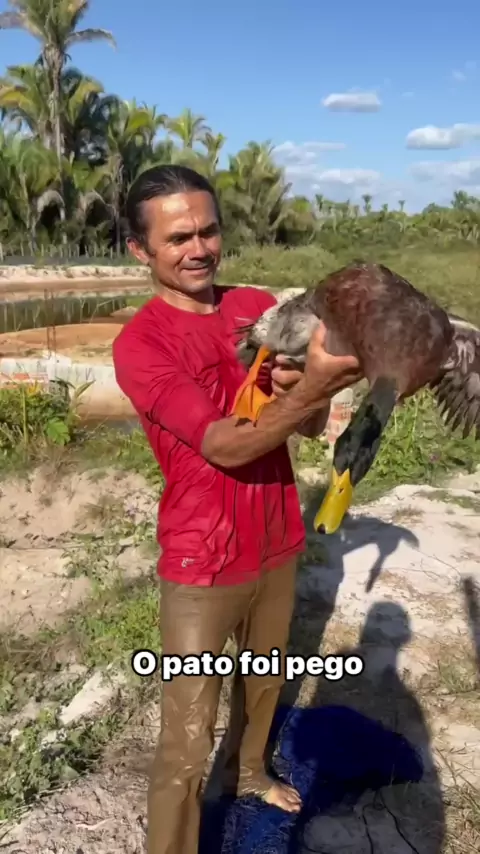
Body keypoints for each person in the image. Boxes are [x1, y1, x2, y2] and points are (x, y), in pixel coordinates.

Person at [112, 164, 361, 854]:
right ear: (140, 249)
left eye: (209, 230)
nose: (199, 248)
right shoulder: (142, 344)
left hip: (277, 538)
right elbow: (222, 445)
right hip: (202, 559)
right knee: (187, 741)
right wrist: (313, 389)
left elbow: (308, 425)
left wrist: (307, 390)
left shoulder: (256, 307)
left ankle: (248, 774)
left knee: (264, 683)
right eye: (178, 238)